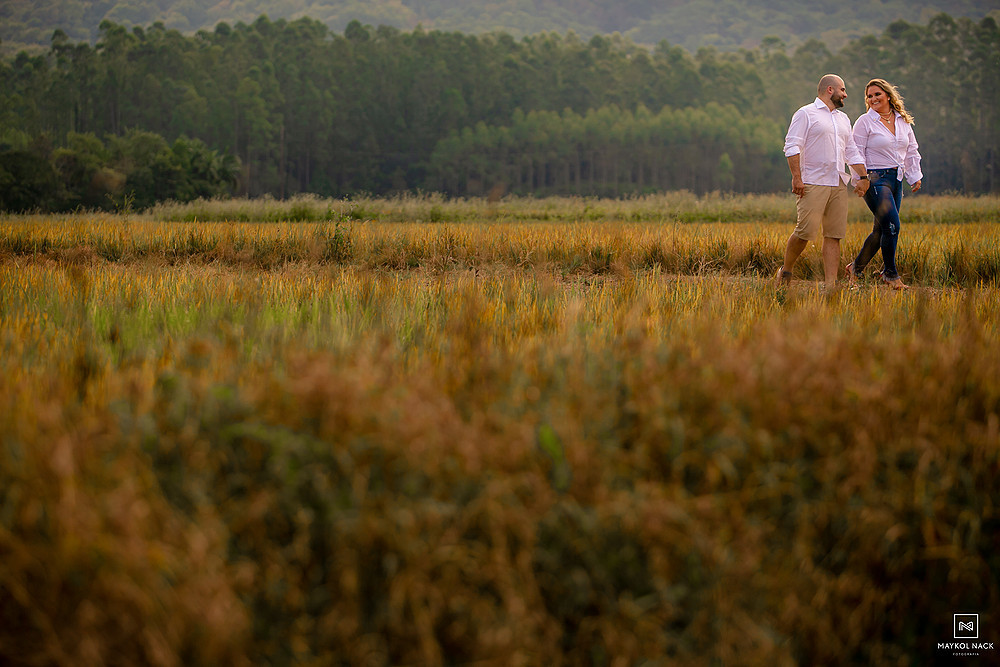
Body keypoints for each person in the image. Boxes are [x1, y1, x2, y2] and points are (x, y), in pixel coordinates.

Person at [777, 74, 869, 290]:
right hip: (812, 181)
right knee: (805, 232)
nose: (845, 94)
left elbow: (851, 151)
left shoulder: (843, 119)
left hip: (837, 182)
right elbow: (792, 146)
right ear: (830, 90)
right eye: (843, 90)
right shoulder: (805, 114)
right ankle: (786, 271)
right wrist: (797, 178)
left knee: (834, 235)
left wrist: (863, 177)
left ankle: (830, 285)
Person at [845, 78, 923, 290]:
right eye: (869, 96)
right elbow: (855, 152)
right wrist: (860, 179)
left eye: (877, 94)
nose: (873, 99)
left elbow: (911, 150)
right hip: (875, 180)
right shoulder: (864, 122)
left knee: (881, 231)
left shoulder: (902, 120)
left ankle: (855, 269)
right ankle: (890, 274)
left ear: (888, 95)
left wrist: (914, 175)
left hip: (897, 179)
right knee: (893, 226)